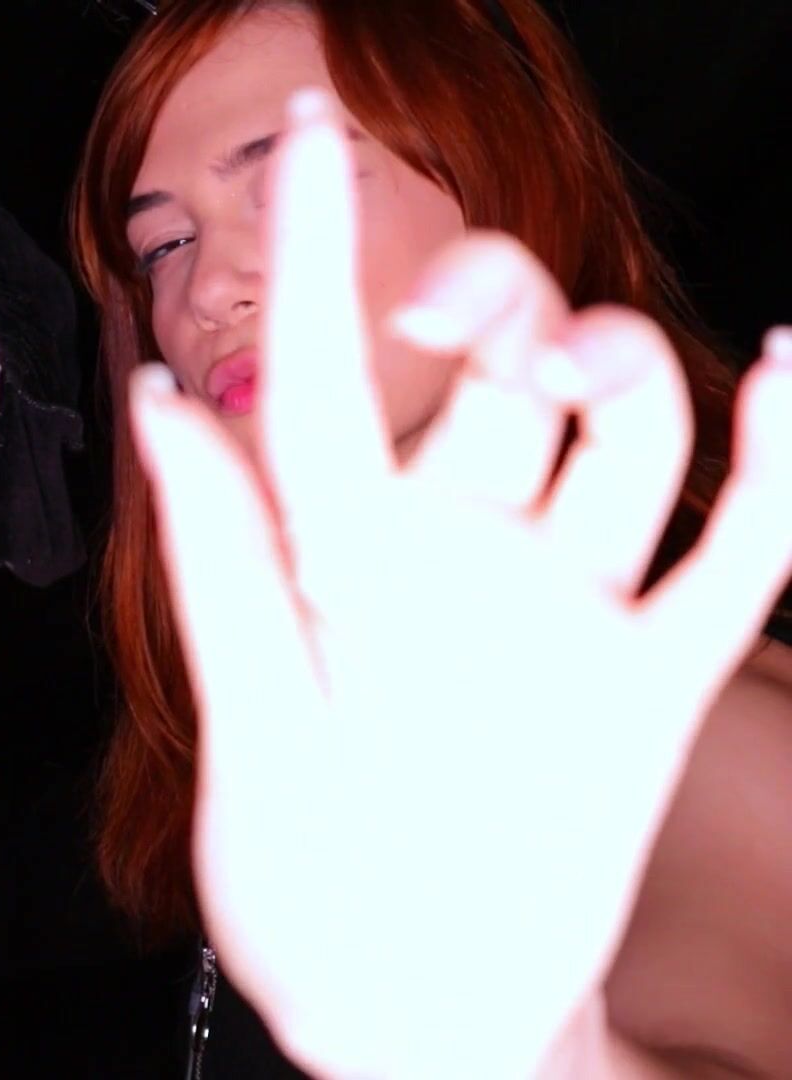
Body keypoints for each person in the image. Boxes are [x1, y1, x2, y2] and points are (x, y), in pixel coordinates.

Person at [68, 1, 792, 1075]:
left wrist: (511, 1053)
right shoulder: (359, 705)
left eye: (288, 185)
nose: (206, 290)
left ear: (499, 181)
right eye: (163, 244)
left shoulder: (702, 723)